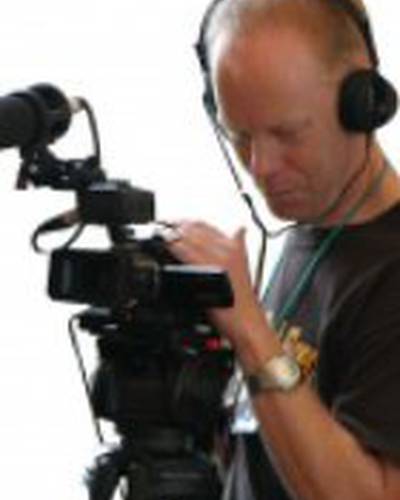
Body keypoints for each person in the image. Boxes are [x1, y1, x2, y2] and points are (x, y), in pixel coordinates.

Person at [164, 0, 400, 498]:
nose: (261, 167)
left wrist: (252, 333)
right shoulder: (313, 229)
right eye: (239, 136)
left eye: (286, 134)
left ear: (362, 102)